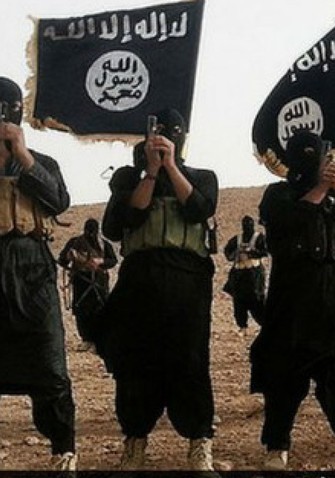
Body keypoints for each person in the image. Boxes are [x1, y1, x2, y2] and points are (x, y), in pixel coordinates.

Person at [99, 109, 219, 470]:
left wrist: (171, 167)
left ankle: (199, 443)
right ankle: (135, 441)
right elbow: (122, 223)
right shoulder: (127, 179)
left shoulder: (202, 177)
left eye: (172, 133)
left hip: (187, 282)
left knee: (191, 361)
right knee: (136, 363)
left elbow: (198, 209)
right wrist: (151, 171)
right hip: (140, 280)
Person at [251, 131, 335, 470]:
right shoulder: (278, 195)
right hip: (293, 307)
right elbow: (289, 222)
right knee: (284, 381)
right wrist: (320, 189)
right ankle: (277, 446)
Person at [0, 76, 76, 470]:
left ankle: (63, 450)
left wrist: (21, 154)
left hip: (32, 269)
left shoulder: (42, 162)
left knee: (49, 364)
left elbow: (58, 201)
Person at [58, 218, 118, 352]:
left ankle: (99, 340)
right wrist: (69, 258)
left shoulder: (104, 245)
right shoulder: (74, 243)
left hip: (99, 282)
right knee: (81, 310)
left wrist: (100, 261)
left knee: (100, 309)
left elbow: (113, 261)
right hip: (81, 281)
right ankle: (86, 339)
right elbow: (62, 260)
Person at [223, 215, 268, 334]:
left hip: (254, 275)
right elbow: (227, 252)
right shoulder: (237, 239)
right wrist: (236, 254)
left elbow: (265, 251)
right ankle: (242, 326)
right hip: (239, 275)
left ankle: (264, 325)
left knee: (257, 300)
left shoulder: (259, 238)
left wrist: (251, 254)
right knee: (239, 301)